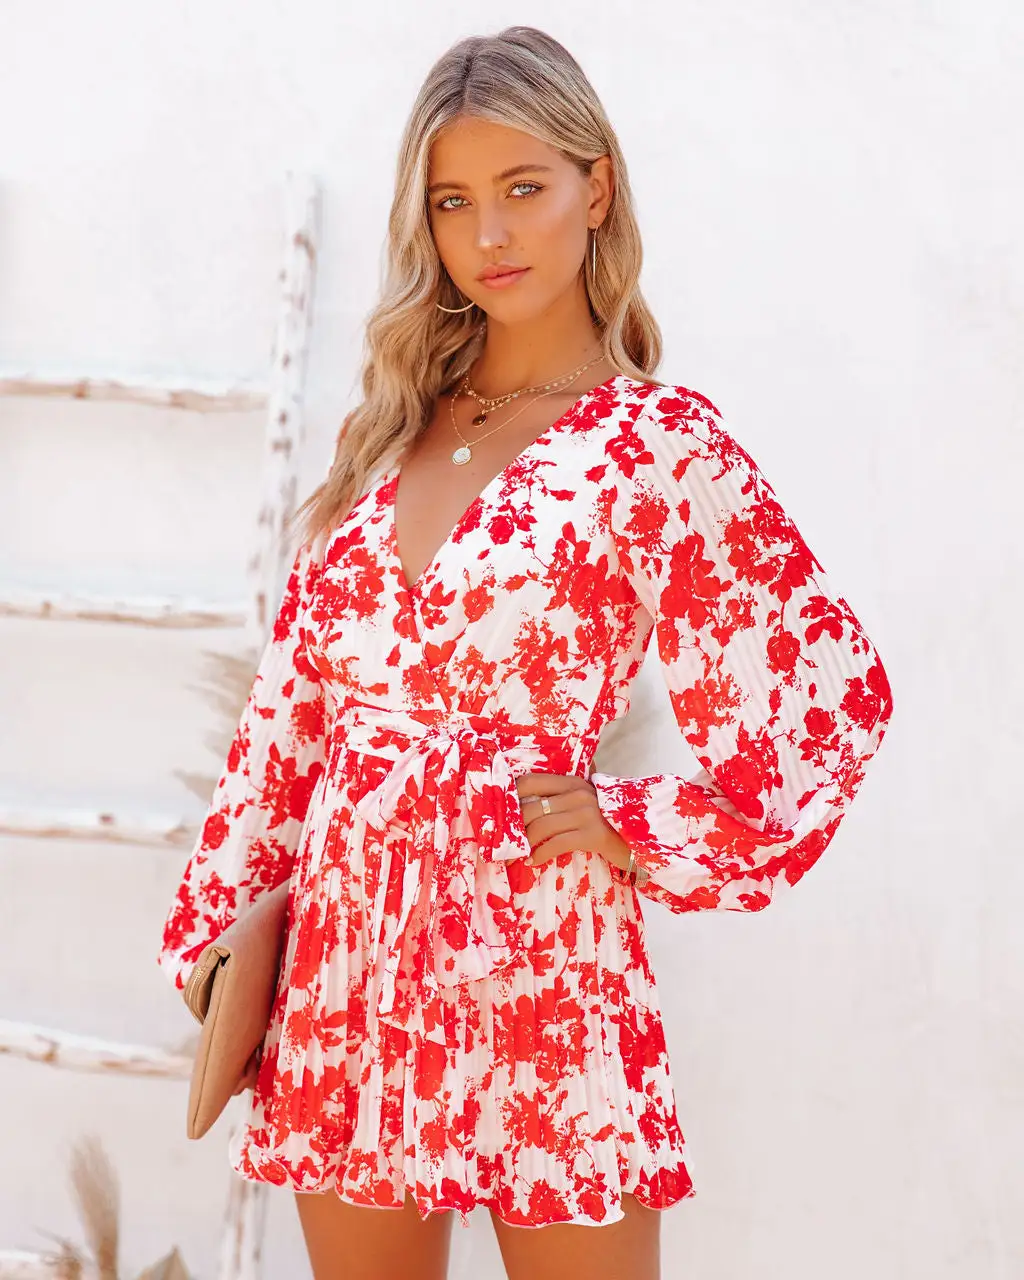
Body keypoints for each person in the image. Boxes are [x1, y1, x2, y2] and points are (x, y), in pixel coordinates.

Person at [157, 24, 894, 1280]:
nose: (488, 235)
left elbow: (827, 704)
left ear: (595, 188)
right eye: (453, 202)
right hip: (350, 962)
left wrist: (634, 820)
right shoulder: (385, 429)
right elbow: (289, 716)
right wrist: (222, 922)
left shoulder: (654, 446)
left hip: (543, 952)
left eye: (522, 188)